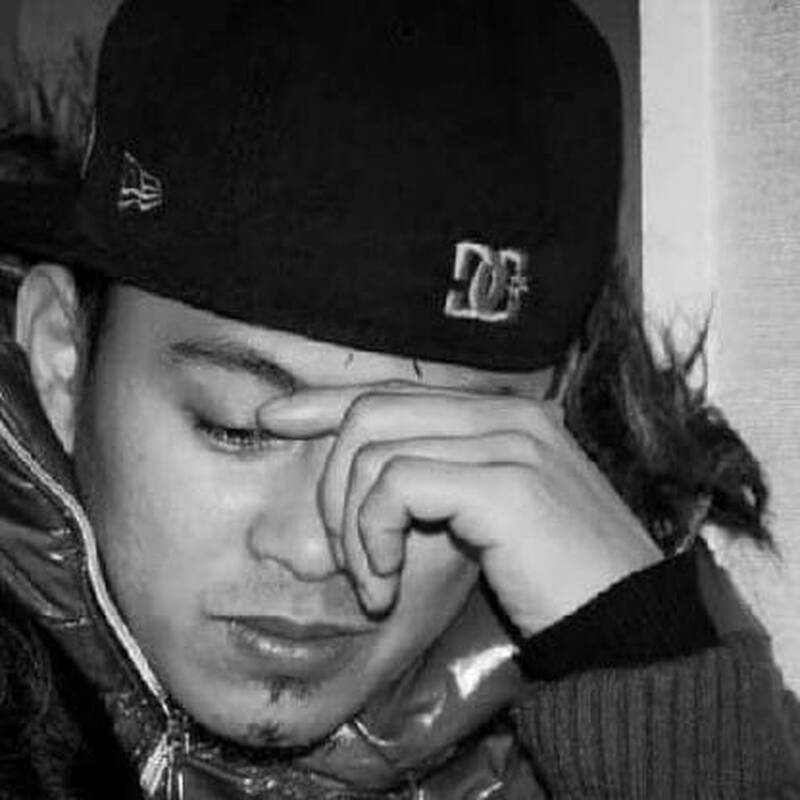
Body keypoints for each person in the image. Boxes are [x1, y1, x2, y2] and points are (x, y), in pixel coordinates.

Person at [0, 1, 798, 798]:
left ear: (549, 420)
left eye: (426, 455)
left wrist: (648, 689)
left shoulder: (676, 717)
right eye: (238, 429)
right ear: (64, 358)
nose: (316, 551)